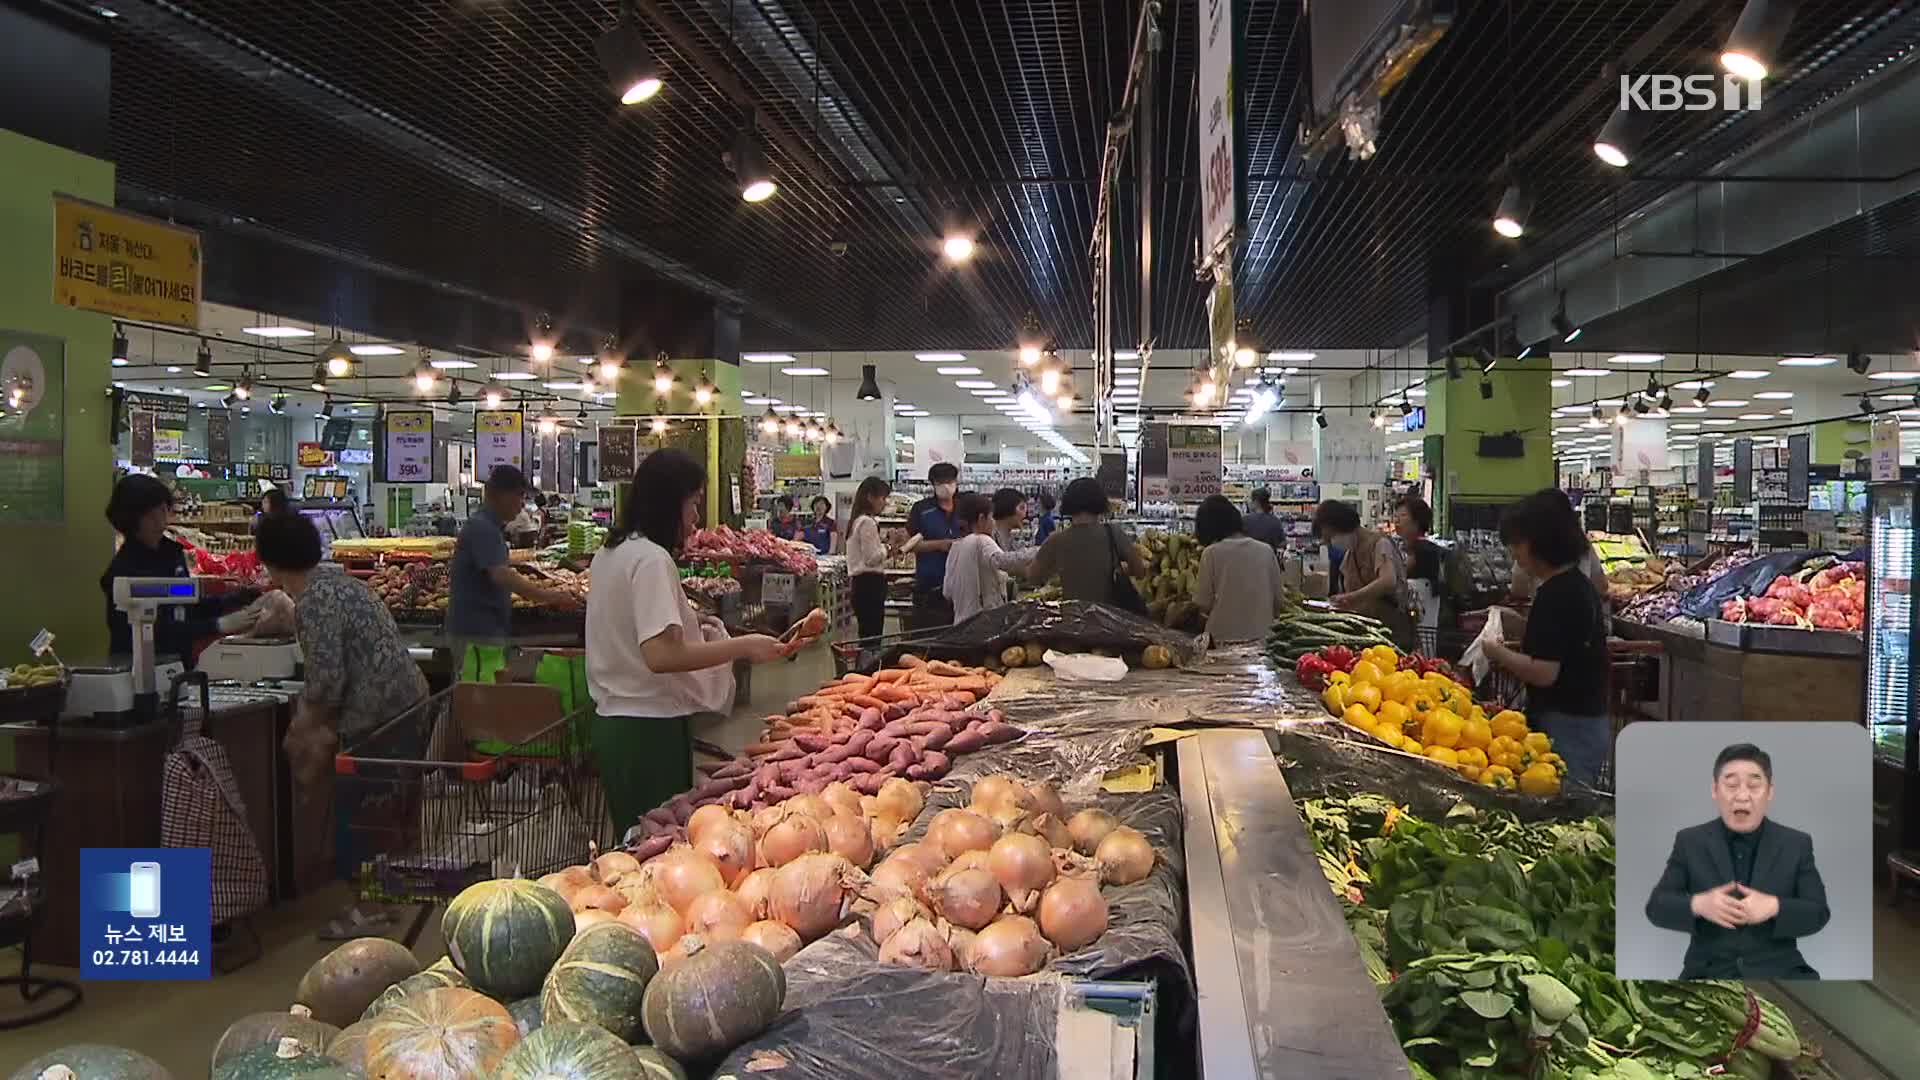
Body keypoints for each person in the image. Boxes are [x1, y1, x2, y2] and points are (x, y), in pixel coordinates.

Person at [586, 449, 788, 834]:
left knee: (634, 841)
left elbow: (631, 630)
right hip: (648, 729)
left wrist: (692, 622)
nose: (696, 517)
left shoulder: (612, 552)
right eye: (693, 503)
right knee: (658, 845)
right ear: (669, 502)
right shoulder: (651, 560)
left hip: (617, 723)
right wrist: (744, 647)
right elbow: (661, 655)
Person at [258, 512, 430, 872]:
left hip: (378, 715)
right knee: (399, 809)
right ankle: (398, 893)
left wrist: (301, 730)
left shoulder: (313, 600)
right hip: (408, 701)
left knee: (364, 815)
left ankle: (365, 907)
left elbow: (326, 682)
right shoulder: (343, 583)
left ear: (272, 563)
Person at [1645, 743, 1830, 979]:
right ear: (1714, 790)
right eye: (1731, 785)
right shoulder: (1690, 841)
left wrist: (1774, 906)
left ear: (1770, 792)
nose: (1742, 796)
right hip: (1707, 973)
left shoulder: (1796, 843)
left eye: (1754, 785)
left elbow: (1818, 912)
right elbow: (1656, 906)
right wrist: (1699, 905)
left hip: (1781, 970)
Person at [1481, 489, 1611, 786]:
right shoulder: (1572, 586)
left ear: (1541, 542)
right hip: (1582, 719)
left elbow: (1544, 672)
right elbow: (1561, 642)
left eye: (1517, 543)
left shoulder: (1559, 594)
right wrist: (1516, 624)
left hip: (1569, 725)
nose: (1513, 552)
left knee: (1567, 814)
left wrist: (1495, 652)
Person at [101, 474, 274, 664]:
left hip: (180, 665)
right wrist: (218, 625)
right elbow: (156, 630)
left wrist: (232, 600)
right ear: (130, 520)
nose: (161, 523)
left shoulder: (171, 554)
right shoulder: (122, 573)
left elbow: (185, 604)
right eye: (150, 516)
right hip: (138, 667)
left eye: (163, 510)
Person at [446, 465, 578, 680]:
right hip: (476, 632)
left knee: (485, 692)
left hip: (484, 630)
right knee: (478, 696)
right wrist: (550, 597)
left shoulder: (490, 527)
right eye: (518, 495)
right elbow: (501, 575)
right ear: (497, 495)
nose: (521, 503)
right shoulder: (482, 528)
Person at [1028, 477, 1148, 604]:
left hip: (1074, 617)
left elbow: (1033, 578)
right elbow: (1139, 571)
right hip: (1110, 617)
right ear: (1101, 502)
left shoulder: (1056, 540)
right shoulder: (1114, 533)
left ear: (1067, 503)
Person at [1312, 500, 1414, 650]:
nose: (1330, 544)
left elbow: (1388, 581)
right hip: (1368, 634)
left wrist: (1352, 597)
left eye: (1330, 537)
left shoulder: (1379, 544)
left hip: (1390, 632)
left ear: (1342, 526)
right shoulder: (1350, 554)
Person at [1190, 495, 1288, 642]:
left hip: (1222, 639)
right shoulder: (1266, 550)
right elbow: (1278, 601)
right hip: (1263, 638)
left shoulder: (1211, 553)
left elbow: (1203, 603)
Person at [944, 492, 1033, 623]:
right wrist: (1039, 551)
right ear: (981, 519)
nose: (993, 523)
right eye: (991, 518)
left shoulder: (955, 546)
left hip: (961, 622)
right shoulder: (982, 540)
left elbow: (947, 592)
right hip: (985, 622)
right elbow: (1005, 561)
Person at [906, 463, 964, 631]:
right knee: (929, 632)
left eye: (950, 481)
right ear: (933, 484)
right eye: (941, 482)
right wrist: (939, 545)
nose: (946, 486)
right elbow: (910, 545)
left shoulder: (964, 508)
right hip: (929, 582)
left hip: (961, 582)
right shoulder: (922, 510)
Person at [845, 476, 894, 640]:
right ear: (870, 497)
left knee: (866, 634)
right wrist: (889, 547)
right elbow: (871, 558)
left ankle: (865, 663)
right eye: (882, 498)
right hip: (870, 584)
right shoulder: (867, 522)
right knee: (873, 636)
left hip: (860, 585)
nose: (884, 502)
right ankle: (869, 665)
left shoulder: (856, 521)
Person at [991, 488, 1027, 552]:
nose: (1024, 515)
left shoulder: (1010, 538)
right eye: (1021, 508)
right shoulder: (989, 539)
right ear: (1007, 507)